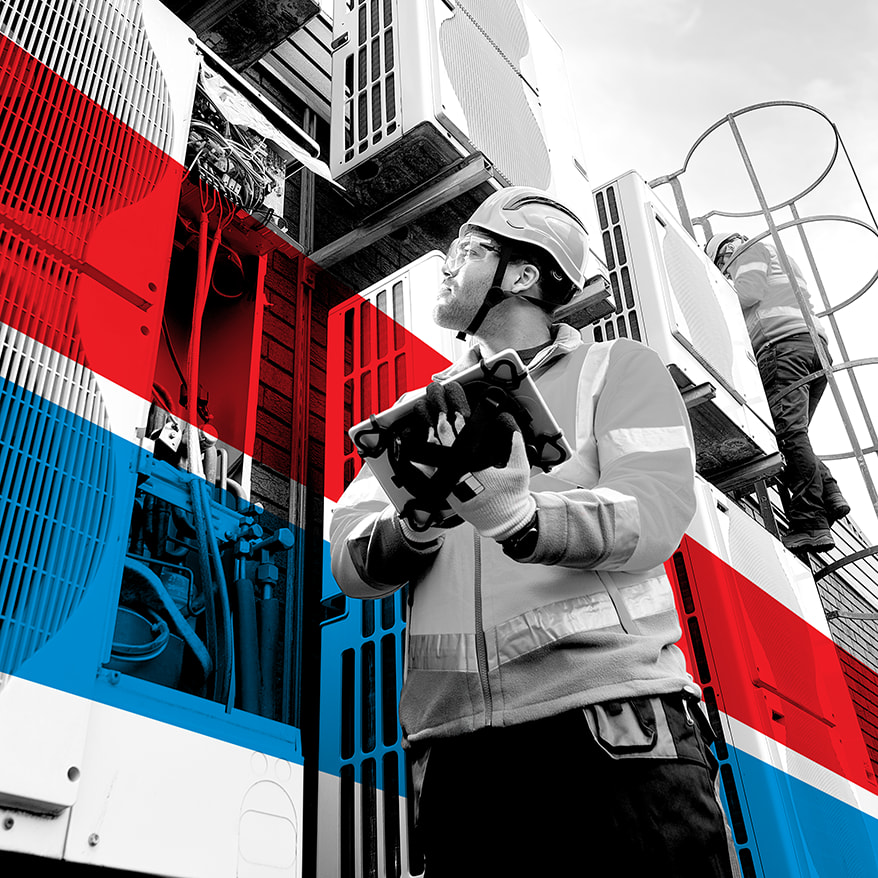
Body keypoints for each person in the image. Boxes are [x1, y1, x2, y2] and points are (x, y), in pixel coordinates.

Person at [332, 187, 737, 877]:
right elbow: (348, 557)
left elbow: (655, 511)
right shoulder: (413, 414)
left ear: (521, 275)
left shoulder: (618, 369)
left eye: (466, 250)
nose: (447, 264)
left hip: (609, 723)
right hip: (458, 754)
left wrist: (522, 520)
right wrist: (418, 523)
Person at [705, 231, 850, 553]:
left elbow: (747, 293)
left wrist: (712, 301)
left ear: (725, 251)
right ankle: (829, 491)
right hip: (810, 346)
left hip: (782, 345)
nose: (725, 272)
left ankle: (810, 524)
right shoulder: (775, 255)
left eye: (721, 266)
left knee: (785, 434)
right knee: (794, 432)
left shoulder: (747, 250)